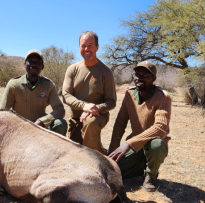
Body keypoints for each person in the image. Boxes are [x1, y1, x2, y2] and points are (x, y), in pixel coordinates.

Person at [108, 61, 171, 192]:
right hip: (136, 145)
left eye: (145, 75)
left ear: (154, 78)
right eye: (137, 74)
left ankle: (151, 175)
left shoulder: (162, 97)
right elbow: (120, 123)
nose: (139, 78)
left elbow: (160, 127)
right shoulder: (129, 94)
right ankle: (140, 165)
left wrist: (129, 144)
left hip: (152, 143)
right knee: (111, 172)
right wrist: (111, 154)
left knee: (157, 145)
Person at [62, 31, 116, 154]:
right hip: (76, 118)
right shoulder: (72, 69)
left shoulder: (106, 72)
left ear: (97, 47)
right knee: (73, 153)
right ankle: (101, 152)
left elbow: (111, 102)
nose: (86, 49)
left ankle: (96, 165)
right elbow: (66, 95)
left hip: (97, 116)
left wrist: (94, 108)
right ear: (79, 47)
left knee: (90, 125)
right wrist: (84, 106)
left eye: (90, 45)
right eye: (83, 45)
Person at [0, 50, 67, 136]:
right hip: (19, 129)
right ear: (25, 64)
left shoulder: (48, 85)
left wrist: (42, 122)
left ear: (42, 66)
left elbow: (60, 110)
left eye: (38, 62)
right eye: (30, 61)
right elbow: (2, 112)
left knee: (60, 124)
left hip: (40, 129)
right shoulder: (14, 84)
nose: (34, 64)